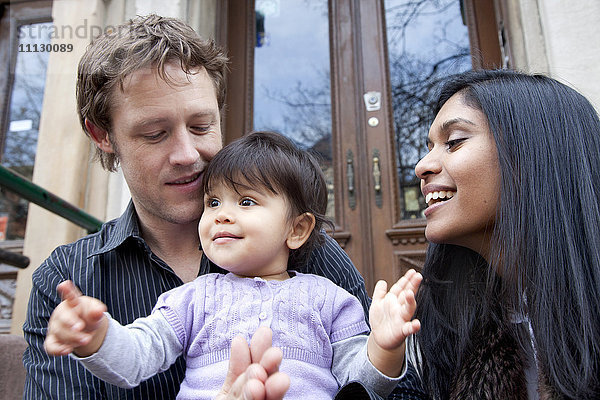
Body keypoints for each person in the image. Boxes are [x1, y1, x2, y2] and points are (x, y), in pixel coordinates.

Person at [22, 15, 373, 400]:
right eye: (155, 134)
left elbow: (391, 384)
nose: (188, 155)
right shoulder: (70, 279)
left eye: (203, 126)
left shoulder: (304, 249)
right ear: (102, 135)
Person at [44, 131, 423, 399]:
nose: (221, 216)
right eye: (212, 203)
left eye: (245, 202)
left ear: (297, 228)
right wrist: (97, 338)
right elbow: (138, 356)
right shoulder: (190, 299)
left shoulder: (330, 299)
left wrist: (384, 347)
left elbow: (360, 384)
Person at [401, 69, 600, 399]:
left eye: (454, 142)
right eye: (430, 146)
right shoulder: (449, 324)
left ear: (535, 152)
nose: (422, 166)